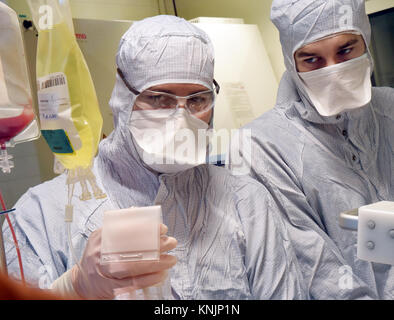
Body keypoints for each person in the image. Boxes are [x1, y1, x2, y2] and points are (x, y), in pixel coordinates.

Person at [2, 15, 305, 300]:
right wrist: (75, 286)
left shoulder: (246, 203)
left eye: (198, 99)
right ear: (123, 98)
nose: (181, 118)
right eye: (159, 99)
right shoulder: (42, 213)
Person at [228, 0, 394, 299]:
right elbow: (316, 268)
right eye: (312, 60)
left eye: (346, 50)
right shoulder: (260, 146)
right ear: (292, 63)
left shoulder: (390, 110)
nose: (334, 71)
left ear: (365, 40)